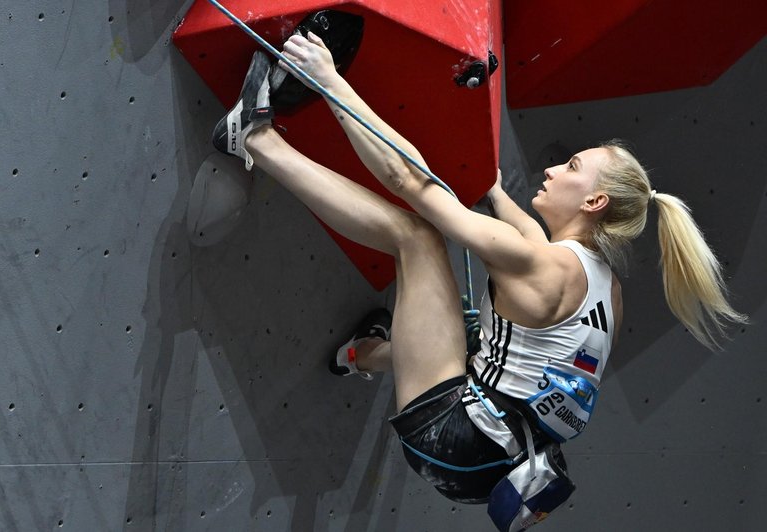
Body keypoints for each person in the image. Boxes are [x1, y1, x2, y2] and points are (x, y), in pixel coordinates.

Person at [212, 32, 747, 505]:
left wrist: (328, 79)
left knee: (416, 238)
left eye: (573, 168)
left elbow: (410, 183)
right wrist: (487, 180)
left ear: (594, 203)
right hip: (504, 462)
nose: (554, 168)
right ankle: (361, 355)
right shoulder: (600, 282)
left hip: (453, 439)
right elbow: (520, 231)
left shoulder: (537, 265)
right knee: (474, 332)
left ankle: (254, 137)